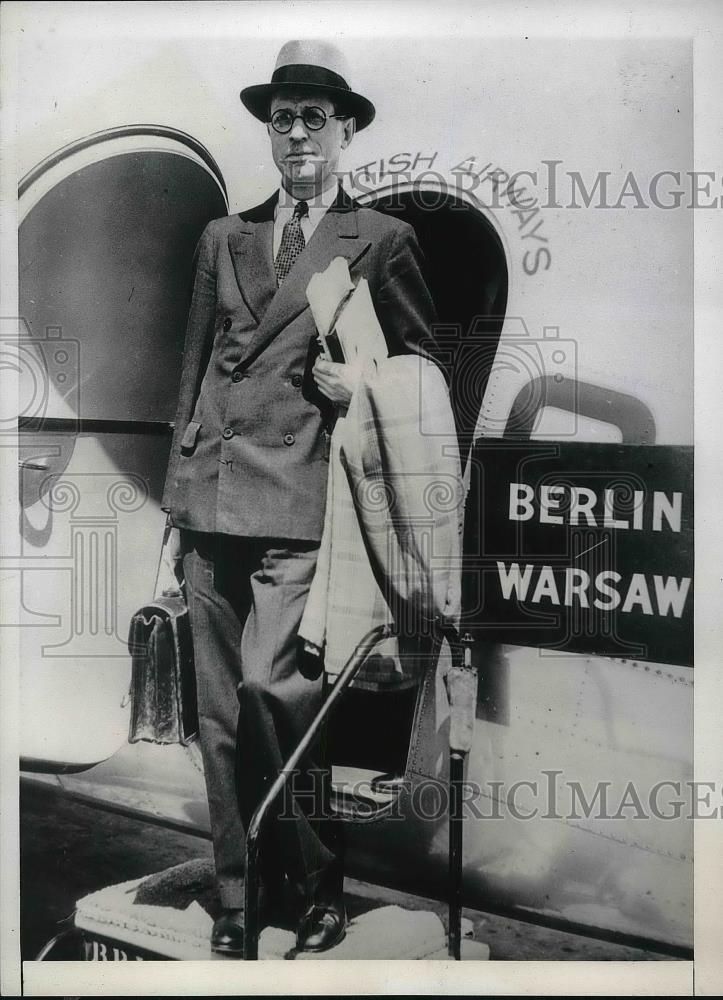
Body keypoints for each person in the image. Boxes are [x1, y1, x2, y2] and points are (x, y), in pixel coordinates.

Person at [159, 39, 438, 955]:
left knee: (274, 693)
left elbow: (425, 377)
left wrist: (359, 387)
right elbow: (194, 374)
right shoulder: (224, 237)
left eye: (315, 118)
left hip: (303, 510)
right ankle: (241, 899)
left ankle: (318, 887)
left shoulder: (381, 241)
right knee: (218, 713)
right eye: (282, 120)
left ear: (346, 129)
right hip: (210, 505)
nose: (296, 136)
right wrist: (173, 506)